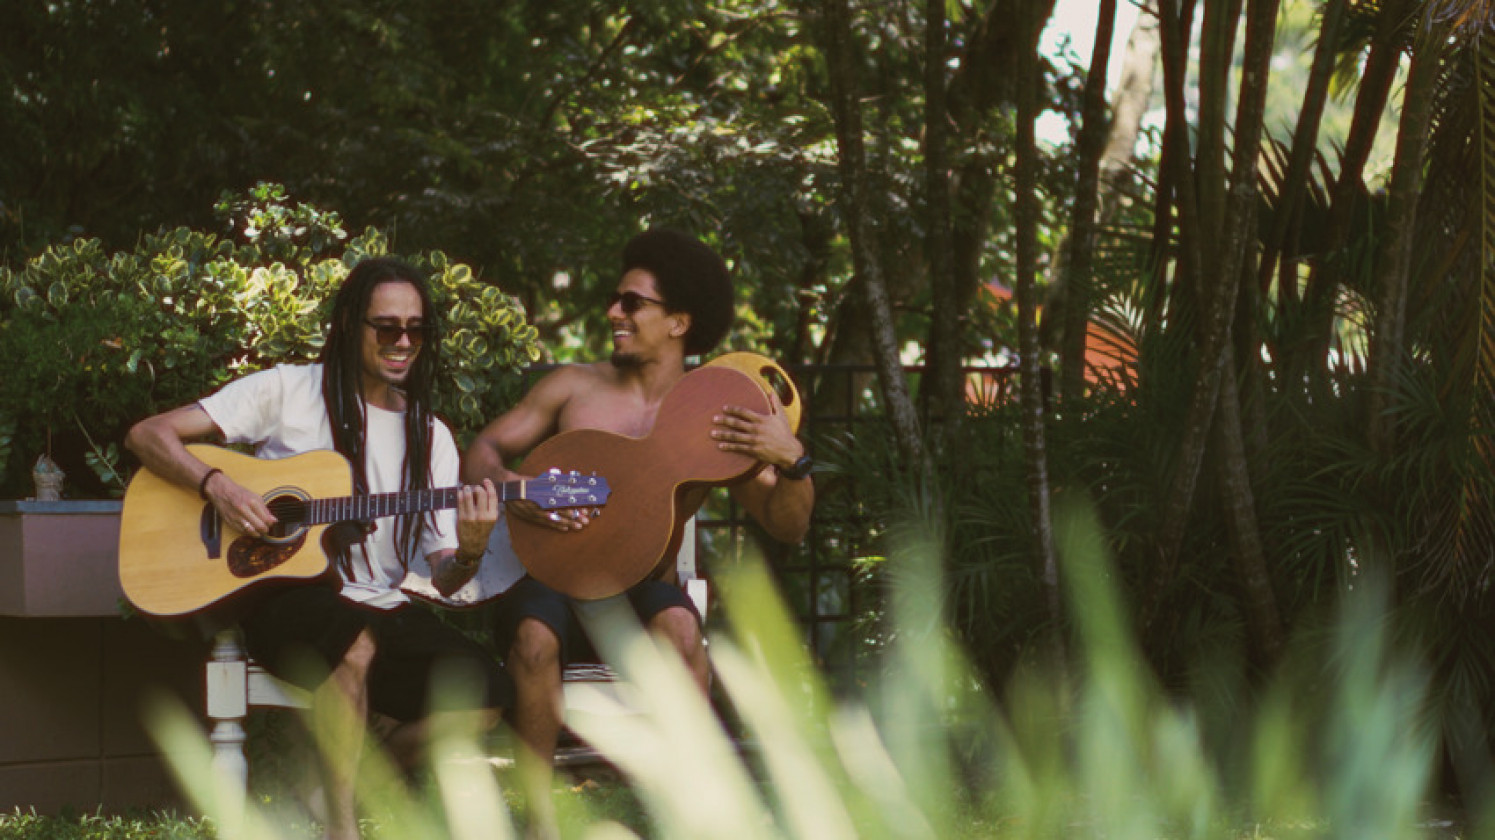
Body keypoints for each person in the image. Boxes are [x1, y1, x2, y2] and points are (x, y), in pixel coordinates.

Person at [126, 256, 513, 840]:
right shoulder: (287, 390)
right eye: (387, 327)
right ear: (351, 324)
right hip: (284, 598)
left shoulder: (430, 436)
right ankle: (341, 830)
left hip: (381, 606)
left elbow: (443, 576)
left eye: (416, 330)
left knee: (487, 695)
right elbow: (147, 435)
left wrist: (471, 552)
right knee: (352, 642)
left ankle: (347, 781)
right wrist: (218, 487)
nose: (403, 342)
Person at [464, 229, 815, 833]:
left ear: (679, 322)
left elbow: (788, 526)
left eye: (632, 302)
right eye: (614, 299)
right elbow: (485, 448)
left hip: (643, 585)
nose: (613, 313)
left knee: (681, 630)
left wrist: (792, 460)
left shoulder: (711, 416)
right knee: (533, 638)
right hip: (553, 579)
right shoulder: (574, 387)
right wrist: (518, 492)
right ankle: (542, 821)